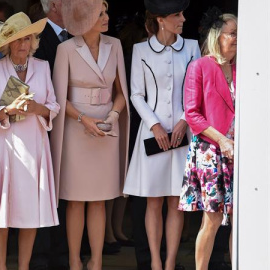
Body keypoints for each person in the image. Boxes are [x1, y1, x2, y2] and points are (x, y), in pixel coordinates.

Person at [0, 12, 60, 270]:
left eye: (28, 39)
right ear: (9, 44)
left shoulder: (43, 67)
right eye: (18, 40)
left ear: (33, 42)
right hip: (5, 143)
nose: (23, 45)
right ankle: (1, 266)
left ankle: (23, 267)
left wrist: (37, 108)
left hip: (34, 143)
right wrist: (7, 111)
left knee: (30, 211)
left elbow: (54, 106)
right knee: (1, 210)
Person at [51, 0, 130, 269]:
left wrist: (113, 116)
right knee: (75, 200)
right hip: (75, 128)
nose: (106, 17)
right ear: (85, 18)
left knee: (99, 200)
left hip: (107, 126)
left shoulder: (115, 45)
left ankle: (96, 262)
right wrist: (84, 119)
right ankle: (75, 261)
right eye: (100, 13)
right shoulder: (65, 49)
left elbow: (122, 92)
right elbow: (58, 96)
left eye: (106, 11)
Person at [123, 0, 201, 269]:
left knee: (176, 201)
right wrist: (155, 125)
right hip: (152, 134)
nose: (183, 19)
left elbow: (196, 90)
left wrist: (184, 121)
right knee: (153, 201)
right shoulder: (140, 49)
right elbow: (136, 93)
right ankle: (155, 263)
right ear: (160, 19)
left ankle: (169, 264)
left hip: (183, 134)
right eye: (177, 14)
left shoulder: (191, 47)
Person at [178, 9, 237, 270]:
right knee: (211, 220)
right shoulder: (199, 66)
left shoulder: (248, 68)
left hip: (243, 152)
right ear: (217, 35)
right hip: (212, 151)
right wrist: (223, 141)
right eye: (233, 33)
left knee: (241, 220)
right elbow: (192, 114)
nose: (238, 38)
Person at [30, 1, 70, 269]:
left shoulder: (74, 36)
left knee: (64, 186)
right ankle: (42, 252)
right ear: (55, 4)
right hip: (40, 122)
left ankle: (62, 248)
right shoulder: (38, 35)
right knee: (41, 187)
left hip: (69, 121)